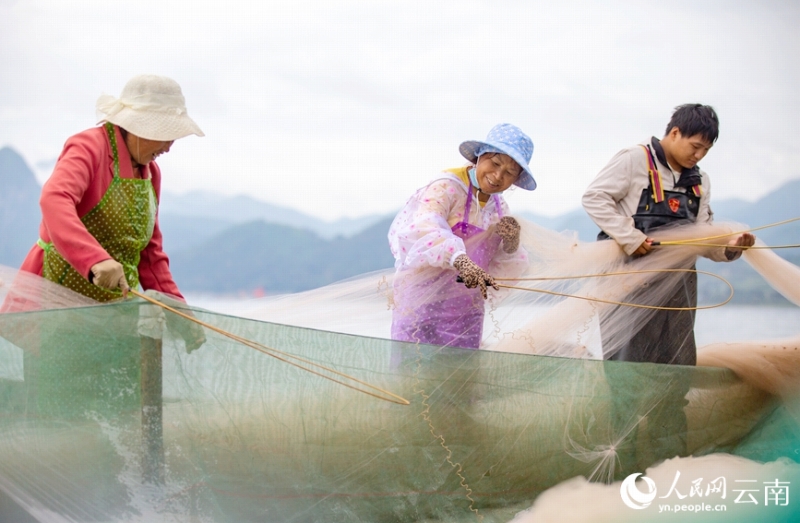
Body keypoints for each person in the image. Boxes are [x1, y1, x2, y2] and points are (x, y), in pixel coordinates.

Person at [582, 103, 755, 477]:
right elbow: (594, 197)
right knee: (627, 383)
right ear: (673, 132)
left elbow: (704, 238)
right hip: (628, 285)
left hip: (678, 291)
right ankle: (624, 481)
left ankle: (670, 476)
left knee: (674, 382)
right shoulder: (633, 159)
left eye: (706, 150)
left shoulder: (700, 180)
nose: (699, 154)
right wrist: (631, 237)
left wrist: (730, 247)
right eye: (695, 145)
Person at [18, 74, 205, 351]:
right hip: (57, 312)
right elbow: (55, 199)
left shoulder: (151, 174)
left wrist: (179, 312)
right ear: (140, 126)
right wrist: (94, 260)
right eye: (166, 135)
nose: (169, 147)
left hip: (116, 318)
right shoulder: (89, 147)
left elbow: (150, 255)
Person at [388, 123, 534, 349]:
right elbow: (423, 228)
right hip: (421, 304)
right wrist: (460, 260)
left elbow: (504, 263)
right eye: (495, 164)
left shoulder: (498, 206)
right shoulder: (447, 186)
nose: (497, 176)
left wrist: (511, 242)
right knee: (412, 376)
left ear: (516, 180)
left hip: (465, 310)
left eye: (509, 173)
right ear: (479, 156)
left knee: (459, 380)